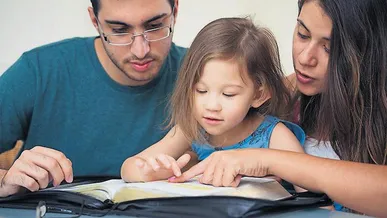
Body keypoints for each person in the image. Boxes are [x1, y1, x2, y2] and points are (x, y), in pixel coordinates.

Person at [171, 0, 387, 217]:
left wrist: (270, 161)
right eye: (302, 34)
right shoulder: (276, 97)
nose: (305, 58)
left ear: (369, 49)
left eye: (329, 48)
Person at [0, 0, 187, 197]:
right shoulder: (39, 70)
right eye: (119, 30)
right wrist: (3, 181)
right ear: (95, 21)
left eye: (155, 26)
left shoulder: (206, 75)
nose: (140, 50)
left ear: (175, 10)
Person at [121, 17, 305, 189]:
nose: (212, 105)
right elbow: (129, 167)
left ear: (259, 94)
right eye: (201, 91)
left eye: (228, 94)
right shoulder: (190, 129)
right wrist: (150, 172)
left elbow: (310, 187)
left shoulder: (274, 135)